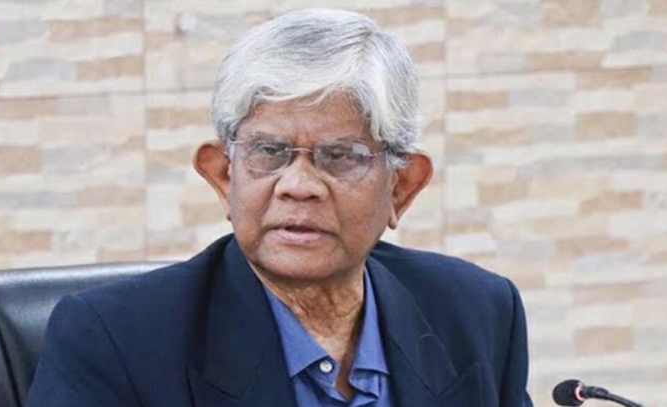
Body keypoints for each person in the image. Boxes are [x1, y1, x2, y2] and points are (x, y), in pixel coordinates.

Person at [27, 8, 533, 407]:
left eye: (340, 156)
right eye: (268, 152)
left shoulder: (477, 311)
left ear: (400, 188)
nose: (298, 186)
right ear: (224, 176)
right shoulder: (114, 339)